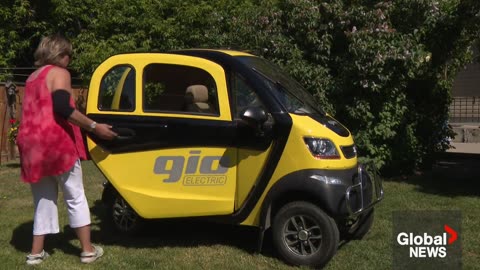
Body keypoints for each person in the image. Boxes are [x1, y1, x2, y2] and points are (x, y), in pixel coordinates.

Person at [16, 34, 117, 265]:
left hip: (32, 145)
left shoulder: (32, 78)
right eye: (68, 55)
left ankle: (35, 253)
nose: (69, 60)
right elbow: (62, 106)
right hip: (55, 143)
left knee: (42, 198)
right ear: (60, 55)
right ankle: (88, 250)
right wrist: (94, 126)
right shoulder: (59, 73)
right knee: (75, 195)